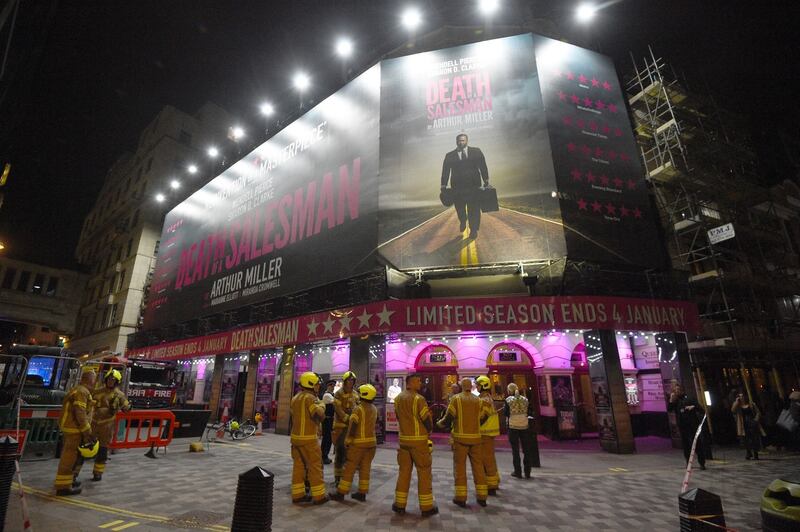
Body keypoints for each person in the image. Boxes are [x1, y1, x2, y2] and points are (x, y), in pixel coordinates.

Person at [437, 377, 491, 508]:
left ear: (461, 386)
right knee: (478, 467)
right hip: (476, 439)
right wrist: (476, 424)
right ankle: (482, 496)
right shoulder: (478, 400)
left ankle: (461, 497)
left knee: (460, 468)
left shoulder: (456, 399)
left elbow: (449, 417)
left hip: (460, 439)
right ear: (470, 386)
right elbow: (486, 415)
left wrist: (440, 424)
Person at [392, 373, 438, 517]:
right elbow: (426, 419)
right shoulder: (419, 399)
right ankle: (426, 507)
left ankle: (399, 505)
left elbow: (398, 417)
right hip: (418, 441)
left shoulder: (398, 398)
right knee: (424, 473)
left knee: (404, 472)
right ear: (410, 383)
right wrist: (430, 429)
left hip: (404, 441)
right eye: (418, 381)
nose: (420, 383)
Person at [330, 384, 378, 502]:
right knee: (365, 468)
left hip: (358, 444)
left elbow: (353, 425)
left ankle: (341, 492)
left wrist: (348, 439)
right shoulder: (374, 409)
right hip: (371, 444)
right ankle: (362, 493)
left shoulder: (358, 409)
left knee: (349, 467)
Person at [54, 370, 97, 496]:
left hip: (72, 429)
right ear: (90, 380)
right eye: (94, 380)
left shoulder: (79, 390)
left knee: (73, 457)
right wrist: (87, 432)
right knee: (69, 458)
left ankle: (69, 481)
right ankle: (63, 487)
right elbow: (80, 413)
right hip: (74, 430)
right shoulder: (82, 392)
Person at [440, 133, 490, 239]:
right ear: (456, 142)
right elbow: (445, 171)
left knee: (474, 209)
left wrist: (486, 180)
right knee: (460, 209)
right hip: (457, 188)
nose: (460, 142)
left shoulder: (476, 151)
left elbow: (483, 166)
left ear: (467, 141)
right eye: (459, 140)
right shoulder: (449, 155)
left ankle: (473, 230)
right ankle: (463, 220)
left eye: (463, 140)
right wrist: (443, 185)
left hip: (474, 186)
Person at [290, 372, 327, 504]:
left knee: (298, 466)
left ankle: (298, 495)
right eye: (317, 384)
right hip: (309, 439)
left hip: (295, 438)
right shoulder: (310, 398)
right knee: (315, 466)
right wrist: (322, 404)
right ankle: (319, 496)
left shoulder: (295, 398)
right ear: (310, 384)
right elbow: (318, 415)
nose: (318, 387)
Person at [89, 368, 131, 481]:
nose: (111, 381)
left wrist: (125, 406)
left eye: (114, 380)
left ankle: (98, 472)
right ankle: (75, 473)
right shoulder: (97, 391)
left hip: (107, 426)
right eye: (109, 379)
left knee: (102, 450)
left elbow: (127, 408)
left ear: (117, 382)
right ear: (106, 379)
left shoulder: (119, 395)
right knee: (85, 449)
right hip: (92, 424)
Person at [668, 381, 708, 470]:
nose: (677, 392)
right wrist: (671, 399)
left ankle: (702, 462)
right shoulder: (676, 401)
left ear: (682, 390)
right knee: (686, 445)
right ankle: (688, 462)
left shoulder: (690, 399)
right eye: (675, 390)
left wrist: (692, 407)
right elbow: (669, 409)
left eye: (678, 390)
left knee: (697, 444)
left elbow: (701, 409)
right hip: (682, 426)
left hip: (693, 425)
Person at [475, 376, 500, 494]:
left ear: (484, 385)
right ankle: (494, 480)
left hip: (485, 432)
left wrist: (473, 425)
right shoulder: (487, 397)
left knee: (486, 458)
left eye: (478, 385)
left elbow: (482, 417)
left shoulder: (484, 399)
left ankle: (491, 485)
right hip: (489, 432)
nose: (477, 387)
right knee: (489, 457)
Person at [333, 371, 358, 485]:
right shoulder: (338, 393)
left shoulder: (355, 394)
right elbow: (338, 408)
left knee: (350, 453)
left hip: (351, 427)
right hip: (341, 428)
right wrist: (347, 417)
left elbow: (358, 407)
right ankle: (338, 478)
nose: (350, 383)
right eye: (348, 380)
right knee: (340, 452)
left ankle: (347, 477)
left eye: (352, 381)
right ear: (344, 382)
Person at [505, 382, 534, 479]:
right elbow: (530, 411)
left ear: (509, 390)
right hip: (524, 426)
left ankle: (518, 471)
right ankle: (527, 471)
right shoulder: (525, 399)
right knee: (526, 449)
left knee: (515, 450)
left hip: (513, 426)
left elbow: (506, 413)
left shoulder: (508, 400)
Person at [732, 391, 763, 460]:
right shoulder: (738, 406)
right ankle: (748, 452)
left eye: (742, 396)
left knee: (754, 438)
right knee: (746, 439)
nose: (741, 397)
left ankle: (755, 453)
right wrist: (737, 402)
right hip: (743, 424)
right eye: (739, 396)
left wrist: (755, 420)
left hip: (751, 423)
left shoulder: (751, 404)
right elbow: (733, 410)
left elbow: (758, 412)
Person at [321, 380, 336, 465]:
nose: (333, 387)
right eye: (331, 385)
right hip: (327, 420)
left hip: (331, 420)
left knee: (329, 438)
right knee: (326, 438)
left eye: (333, 386)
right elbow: (335, 402)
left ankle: (325, 455)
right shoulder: (327, 395)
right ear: (328, 386)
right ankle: (323, 456)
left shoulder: (332, 395)